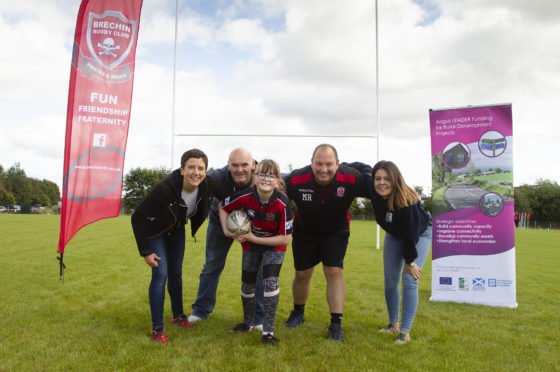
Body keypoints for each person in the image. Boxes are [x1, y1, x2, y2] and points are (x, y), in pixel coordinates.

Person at [131, 149, 226, 344]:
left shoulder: (207, 184)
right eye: (191, 167)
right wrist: (146, 251)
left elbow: (230, 194)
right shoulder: (165, 189)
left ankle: (178, 316)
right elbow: (137, 217)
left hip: (176, 230)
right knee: (161, 275)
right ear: (182, 170)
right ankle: (157, 329)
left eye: (201, 168)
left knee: (176, 274)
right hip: (156, 232)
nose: (196, 172)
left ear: (205, 171)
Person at [283, 144, 367, 342]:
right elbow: (278, 194)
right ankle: (298, 313)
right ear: (311, 163)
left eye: (329, 164)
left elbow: (379, 189)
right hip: (305, 232)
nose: (323, 169)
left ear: (338, 164)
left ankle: (336, 324)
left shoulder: (352, 177)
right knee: (302, 273)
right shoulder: (296, 178)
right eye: (318, 164)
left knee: (333, 271)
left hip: (336, 232)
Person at [219, 159, 293, 346]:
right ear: (254, 177)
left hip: (274, 245)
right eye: (261, 174)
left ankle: (267, 332)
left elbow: (286, 239)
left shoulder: (283, 203)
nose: (266, 179)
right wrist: (227, 231)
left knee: (270, 284)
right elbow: (223, 206)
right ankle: (248, 323)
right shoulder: (246, 196)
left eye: (271, 175)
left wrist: (252, 238)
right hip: (251, 245)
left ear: (277, 180)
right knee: (247, 285)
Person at [189, 148, 265, 328]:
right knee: (212, 265)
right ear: (228, 165)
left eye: (245, 165)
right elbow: (189, 185)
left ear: (253, 164)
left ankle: (258, 317)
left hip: (253, 224)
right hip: (220, 221)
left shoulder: (263, 174)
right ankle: (200, 310)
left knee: (257, 270)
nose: (240, 169)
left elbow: (287, 180)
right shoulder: (216, 178)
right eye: (235, 165)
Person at [369, 160, 431, 345]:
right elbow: (362, 169)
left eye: (387, 179)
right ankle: (393, 324)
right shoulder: (374, 191)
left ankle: (404, 331)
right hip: (395, 234)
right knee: (390, 281)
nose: (382, 183)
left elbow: (410, 236)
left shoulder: (407, 203)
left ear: (395, 179)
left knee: (409, 280)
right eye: (378, 178)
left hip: (419, 234)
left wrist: (410, 263)